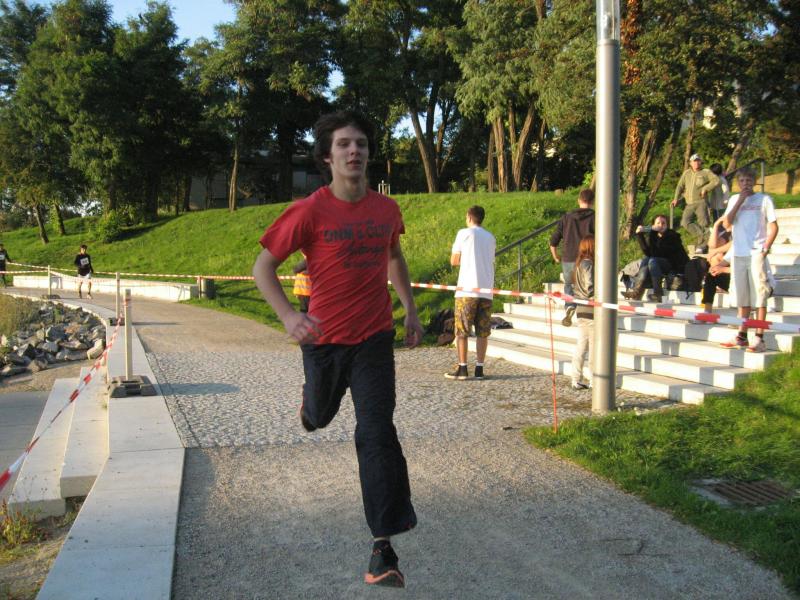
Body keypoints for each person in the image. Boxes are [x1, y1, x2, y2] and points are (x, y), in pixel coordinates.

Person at [252, 110, 423, 588]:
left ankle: (382, 548)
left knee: (377, 432)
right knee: (321, 415)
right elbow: (262, 267)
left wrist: (409, 309)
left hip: (374, 338)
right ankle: (311, 408)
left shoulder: (386, 210)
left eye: (361, 144)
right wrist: (290, 316)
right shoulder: (309, 211)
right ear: (327, 157)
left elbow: (393, 256)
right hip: (324, 340)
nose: (354, 151)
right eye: (344, 144)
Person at [720, 167, 779, 353]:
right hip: (739, 253)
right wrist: (740, 201)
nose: (746, 183)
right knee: (742, 296)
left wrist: (765, 248)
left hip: (756, 252)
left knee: (760, 295)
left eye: (749, 180)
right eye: (742, 181)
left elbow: (773, 226)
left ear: (754, 181)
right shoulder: (734, 200)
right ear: (738, 183)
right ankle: (742, 335)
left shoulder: (764, 199)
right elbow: (726, 224)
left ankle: (759, 337)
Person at [444, 205, 496, 381]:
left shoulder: (463, 233)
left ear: (469, 217)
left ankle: (463, 367)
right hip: (486, 289)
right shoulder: (491, 237)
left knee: (462, 330)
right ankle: (480, 368)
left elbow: (454, 260)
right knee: (483, 331)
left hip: (467, 289)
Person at [549, 188, 595, 326]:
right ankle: (585, 311)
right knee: (587, 285)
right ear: (593, 201)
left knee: (569, 284)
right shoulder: (596, 217)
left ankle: (570, 306)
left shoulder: (567, 217)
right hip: (587, 257)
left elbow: (554, 239)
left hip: (569, 257)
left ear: (579, 200)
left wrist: (556, 256)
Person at [622, 214, 689, 302]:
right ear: (654, 225)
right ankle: (636, 292)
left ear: (667, 225)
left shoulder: (672, 235)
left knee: (653, 260)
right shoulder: (654, 236)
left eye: (663, 223)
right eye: (658, 223)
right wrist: (640, 235)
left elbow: (662, 253)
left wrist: (652, 231)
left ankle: (658, 293)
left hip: (674, 265)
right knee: (647, 259)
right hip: (658, 264)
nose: (661, 225)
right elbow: (648, 252)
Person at [671, 153, 719, 250]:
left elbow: (716, 180)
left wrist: (705, 188)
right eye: (694, 161)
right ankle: (705, 235)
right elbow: (680, 186)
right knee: (685, 222)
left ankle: (703, 246)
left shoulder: (706, 172)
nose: (696, 163)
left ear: (701, 162)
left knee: (703, 224)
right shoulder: (686, 173)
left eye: (698, 161)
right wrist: (676, 198)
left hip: (701, 202)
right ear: (690, 163)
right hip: (689, 203)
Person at [570, 235, 595, 390]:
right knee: (593, 347)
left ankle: (575, 378)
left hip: (580, 308)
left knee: (581, 346)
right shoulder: (589, 264)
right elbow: (590, 286)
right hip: (591, 308)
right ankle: (593, 378)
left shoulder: (578, 264)